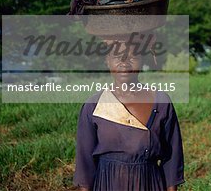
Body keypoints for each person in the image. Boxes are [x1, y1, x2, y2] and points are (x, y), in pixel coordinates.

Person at [73, 39, 184, 191]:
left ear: (142, 60)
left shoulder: (161, 101)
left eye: (133, 57)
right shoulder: (94, 105)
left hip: (150, 184)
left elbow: (172, 156)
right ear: (107, 61)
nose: (124, 62)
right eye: (117, 56)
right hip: (107, 184)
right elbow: (84, 163)